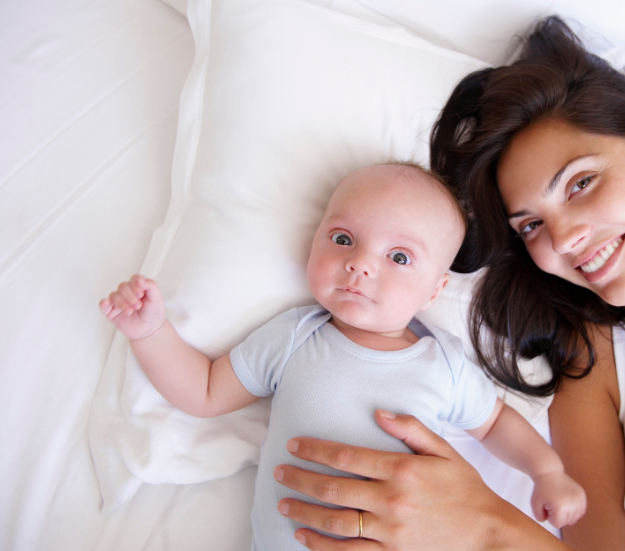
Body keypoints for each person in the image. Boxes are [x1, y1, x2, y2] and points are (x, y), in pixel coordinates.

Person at [270, 16, 625, 551]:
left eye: (581, 182)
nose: (563, 239)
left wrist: (486, 526)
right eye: (531, 226)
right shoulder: (593, 369)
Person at [99, 162, 586, 550]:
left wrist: (546, 471)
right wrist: (151, 332)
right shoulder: (294, 338)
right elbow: (205, 391)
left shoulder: (443, 364)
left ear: (434, 291)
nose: (360, 263)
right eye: (343, 239)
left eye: (399, 257)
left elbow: (495, 422)